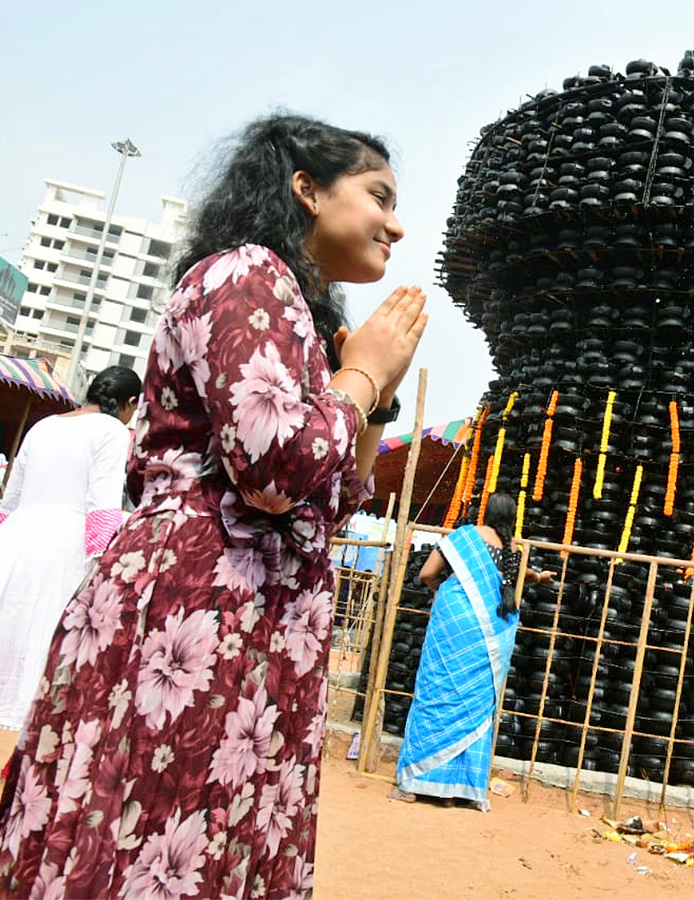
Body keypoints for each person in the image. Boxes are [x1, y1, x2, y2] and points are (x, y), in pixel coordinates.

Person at [0, 114, 427, 897]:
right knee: (161, 832)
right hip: (199, 605)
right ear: (306, 188)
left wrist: (374, 395)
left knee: (214, 832)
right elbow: (272, 466)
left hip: (253, 614)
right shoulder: (245, 274)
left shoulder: (297, 312)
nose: (397, 224)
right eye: (379, 195)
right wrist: (361, 376)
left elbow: (324, 507)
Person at [0, 365, 141, 730]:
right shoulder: (113, 431)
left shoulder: (44, 425)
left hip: (15, 538)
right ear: (130, 403)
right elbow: (104, 504)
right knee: (42, 650)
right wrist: (102, 565)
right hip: (64, 546)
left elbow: (9, 500)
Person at [390, 494, 551, 811]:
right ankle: (459, 789)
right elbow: (523, 577)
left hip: (454, 627)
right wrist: (539, 577)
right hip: (494, 634)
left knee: (437, 693)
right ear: (512, 518)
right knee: (475, 707)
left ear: (485, 513)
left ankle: (415, 783)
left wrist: (445, 589)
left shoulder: (464, 537)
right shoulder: (513, 549)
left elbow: (426, 573)